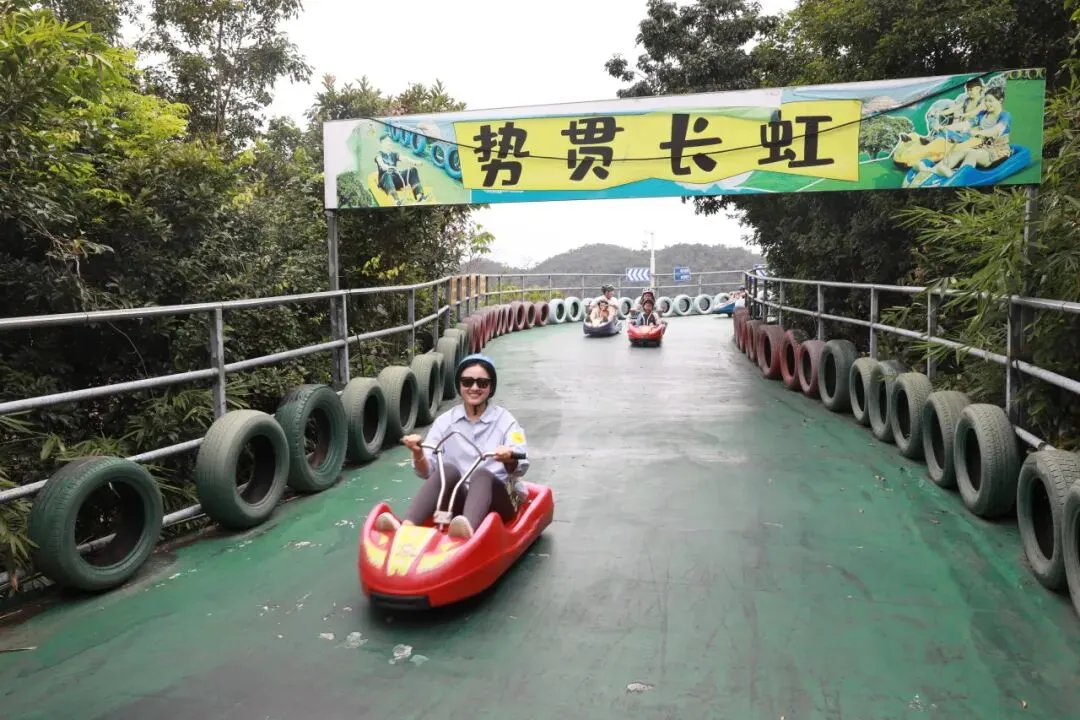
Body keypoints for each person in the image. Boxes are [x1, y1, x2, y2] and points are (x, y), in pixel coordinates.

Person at [374, 354, 529, 539]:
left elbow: (521, 461)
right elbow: (427, 471)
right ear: (459, 385)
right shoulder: (445, 422)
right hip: (459, 498)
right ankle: (407, 527)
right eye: (467, 382)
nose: (474, 388)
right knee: (447, 470)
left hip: (499, 500)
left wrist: (509, 456)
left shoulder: (506, 421)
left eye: (482, 383)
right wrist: (418, 453)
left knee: (482, 474)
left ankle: (467, 533)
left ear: (491, 387)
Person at [374, 134, 428, 204]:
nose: (389, 143)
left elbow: (404, 158)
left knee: (412, 170)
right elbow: (380, 162)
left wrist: (415, 162)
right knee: (388, 174)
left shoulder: (394, 154)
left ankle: (419, 196)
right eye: (387, 141)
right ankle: (396, 201)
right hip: (385, 181)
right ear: (381, 142)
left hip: (395, 179)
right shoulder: (379, 155)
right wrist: (385, 166)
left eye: (390, 141)